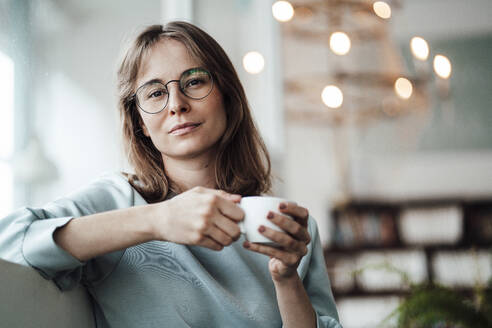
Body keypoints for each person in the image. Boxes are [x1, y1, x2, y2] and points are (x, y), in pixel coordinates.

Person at [0, 22, 341, 328]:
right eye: (155, 93)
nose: (176, 104)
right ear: (140, 123)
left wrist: (286, 280)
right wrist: (158, 219)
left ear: (228, 97)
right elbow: (11, 243)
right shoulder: (117, 201)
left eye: (194, 82)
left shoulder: (291, 229)